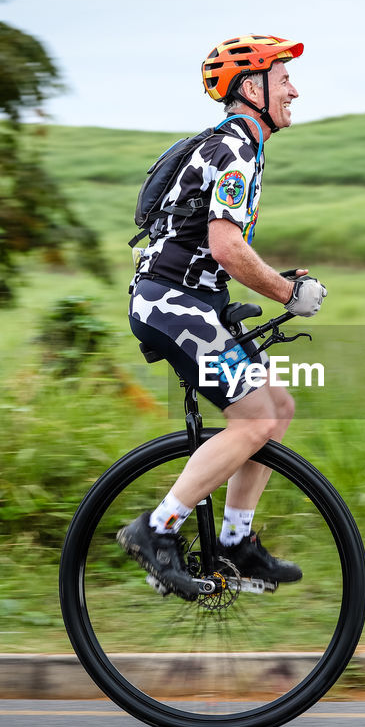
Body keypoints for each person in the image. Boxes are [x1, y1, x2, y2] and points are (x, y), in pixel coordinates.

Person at [116, 34, 327, 601]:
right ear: (251, 87)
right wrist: (288, 292)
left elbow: (216, 249)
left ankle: (234, 541)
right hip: (171, 304)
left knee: (277, 408)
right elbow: (227, 247)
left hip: (189, 301)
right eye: (285, 81)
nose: (295, 91)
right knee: (254, 418)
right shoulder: (232, 149)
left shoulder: (237, 148)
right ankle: (155, 530)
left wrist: (279, 283)